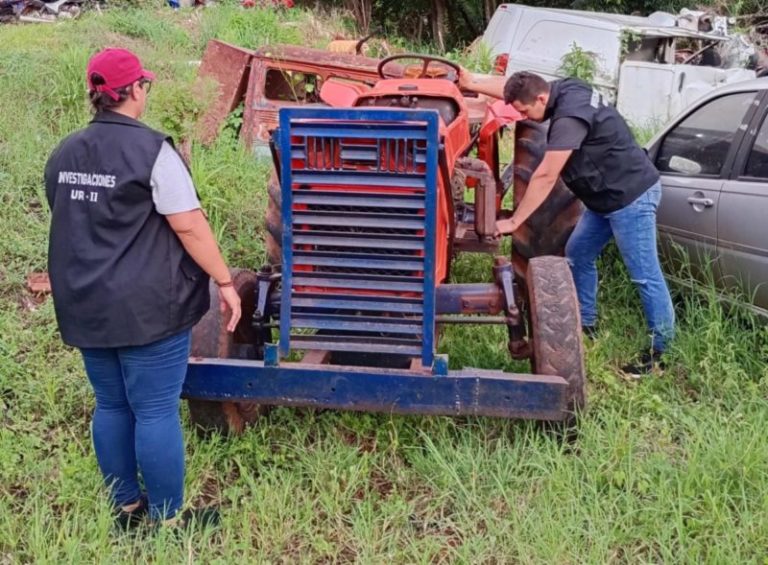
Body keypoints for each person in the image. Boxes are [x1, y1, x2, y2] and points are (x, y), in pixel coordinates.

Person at [44, 47, 241, 530]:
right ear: (135, 90)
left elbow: (70, 214)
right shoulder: (152, 151)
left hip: (85, 304)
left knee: (111, 404)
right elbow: (190, 227)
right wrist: (225, 280)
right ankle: (169, 521)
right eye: (143, 86)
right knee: (154, 411)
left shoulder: (65, 152)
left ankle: (126, 510)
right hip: (146, 309)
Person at [459, 70, 675, 375]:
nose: (523, 116)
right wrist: (473, 84)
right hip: (603, 199)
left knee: (644, 275)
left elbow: (546, 175)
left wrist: (515, 221)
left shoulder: (569, 119)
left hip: (630, 198)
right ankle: (586, 323)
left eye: (523, 111)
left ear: (541, 99)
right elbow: (514, 86)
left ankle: (660, 352)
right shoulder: (559, 89)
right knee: (578, 254)